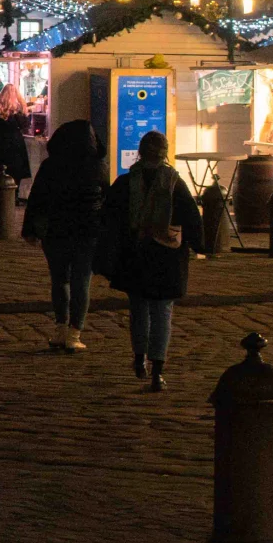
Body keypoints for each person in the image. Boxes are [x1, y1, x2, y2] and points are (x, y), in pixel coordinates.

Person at [99, 131, 204, 391]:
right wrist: (200, 246)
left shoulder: (125, 182)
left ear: (141, 152)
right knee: (162, 312)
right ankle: (158, 370)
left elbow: (108, 218)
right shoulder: (174, 183)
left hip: (135, 253)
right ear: (164, 153)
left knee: (139, 309)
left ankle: (138, 359)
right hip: (166, 256)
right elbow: (191, 218)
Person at [23, 120, 108, 352]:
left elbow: (37, 199)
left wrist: (30, 229)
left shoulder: (51, 166)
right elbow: (107, 201)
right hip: (87, 232)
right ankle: (74, 333)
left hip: (56, 231)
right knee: (82, 281)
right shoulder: (98, 166)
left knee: (60, 280)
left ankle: (60, 328)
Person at [0, 84, 32, 186]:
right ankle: (14, 194)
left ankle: (1, 194)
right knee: (17, 169)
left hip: (1, 140)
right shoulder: (19, 107)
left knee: (0, 167)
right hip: (16, 140)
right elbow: (25, 124)